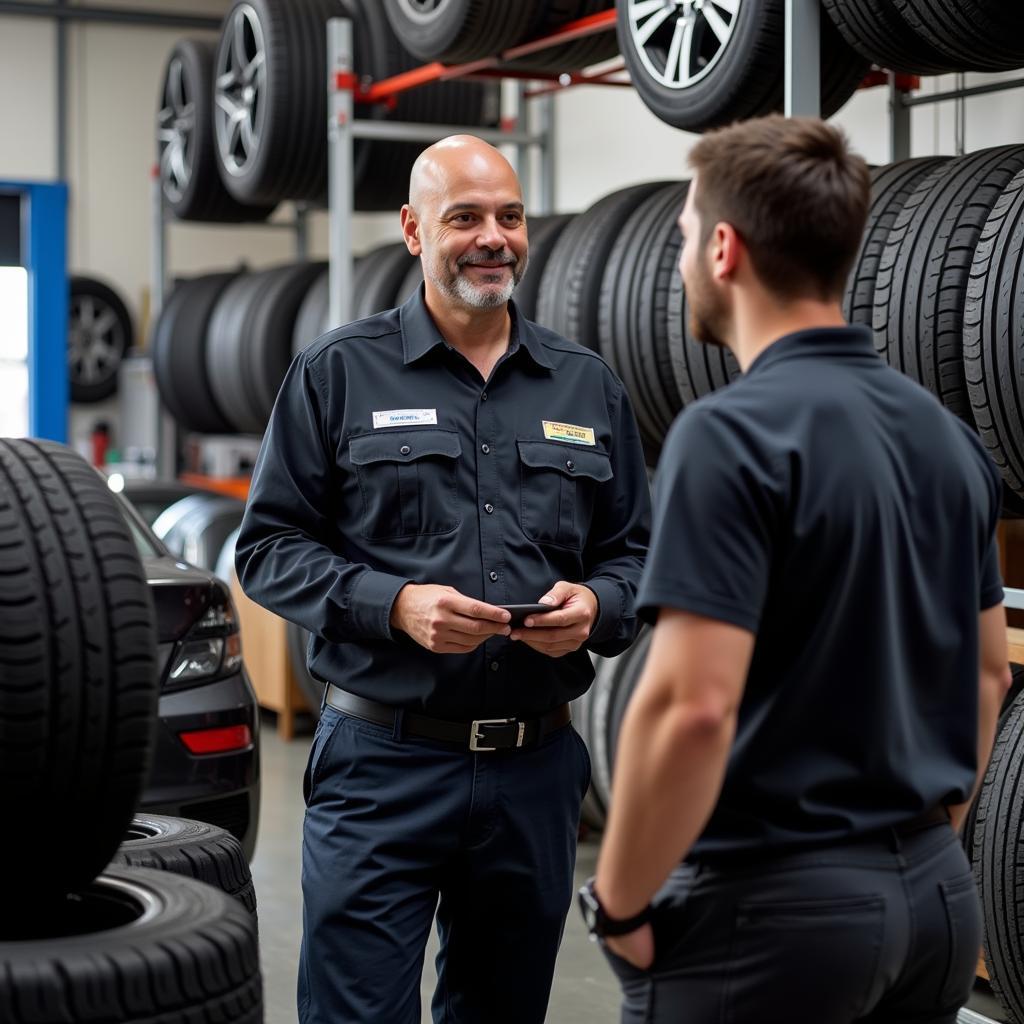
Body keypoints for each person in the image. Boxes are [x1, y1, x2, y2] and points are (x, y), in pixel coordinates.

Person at [580, 115, 1012, 1024]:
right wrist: (924, 855)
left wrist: (617, 905)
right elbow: (986, 672)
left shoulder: (730, 436)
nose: (684, 254)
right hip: (935, 903)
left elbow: (693, 707)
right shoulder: (948, 440)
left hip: (777, 916)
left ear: (727, 249)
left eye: (688, 234)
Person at [235, 134, 650, 1023]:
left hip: (537, 768)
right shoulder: (338, 372)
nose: (492, 237)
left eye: (509, 216)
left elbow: (638, 554)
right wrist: (395, 605)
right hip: (383, 763)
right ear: (414, 231)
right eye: (464, 217)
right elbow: (267, 548)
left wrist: (599, 605)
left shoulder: (587, 386)